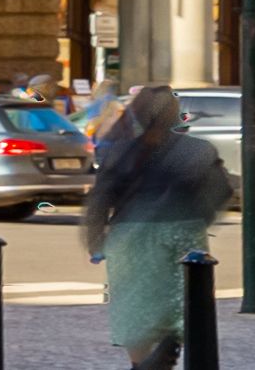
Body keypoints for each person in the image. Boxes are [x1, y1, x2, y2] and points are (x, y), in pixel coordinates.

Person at [89, 84, 235, 370]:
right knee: (181, 302)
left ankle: (141, 364)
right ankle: (170, 344)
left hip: (129, 235)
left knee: (134, 308)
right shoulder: (197, 150)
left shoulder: (120, 150)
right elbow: (223, 189)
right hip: (183, 233)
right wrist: (199, 216)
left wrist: (96, 239)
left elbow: (101, 197)